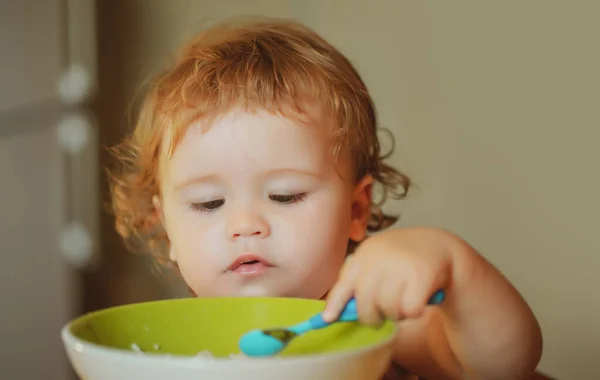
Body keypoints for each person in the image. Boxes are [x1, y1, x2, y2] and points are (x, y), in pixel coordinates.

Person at [108, 17, 543, 379]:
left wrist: (452, 263)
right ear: (167, 228)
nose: (245, 225)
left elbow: (505, 365)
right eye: (208, 203)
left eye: (285, 195)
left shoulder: (372, 319)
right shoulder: (169, 352)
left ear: (356, 209)